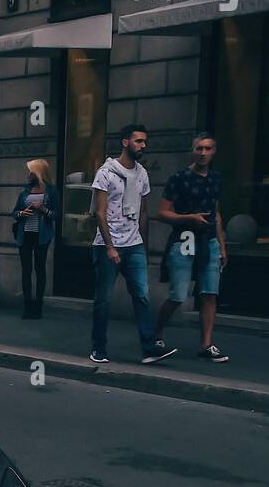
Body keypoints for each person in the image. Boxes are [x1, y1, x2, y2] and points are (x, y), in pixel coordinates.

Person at [89, 123, 176, 366]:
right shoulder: (105, 173)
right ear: (125, 142)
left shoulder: (142, 174)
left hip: (134, 244)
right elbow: (100, 213)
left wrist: (143, 247)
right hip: (109, 245)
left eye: (144, 142)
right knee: (104, 299)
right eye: (138, 141)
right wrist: (110, 246)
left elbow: (144, 213)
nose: (143, 145)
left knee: (142, 296)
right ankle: (98, 348)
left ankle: (149, 348)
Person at [156, 132, 230, 363]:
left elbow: (216, 213)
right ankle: (155, 334)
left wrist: (222, 245)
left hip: (208, 242)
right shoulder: (179, 178)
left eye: (208, 149)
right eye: (199, 148)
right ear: (193, 150)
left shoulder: (216, 178)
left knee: (209, 293)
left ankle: (206, 344)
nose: (203, 153)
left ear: (214, 152)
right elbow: (162, 212)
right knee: (178, 295)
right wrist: (188, 217)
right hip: (184, 239)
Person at [11, 159, 58, 320]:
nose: (28, 174)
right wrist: (21, 213)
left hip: (41, 236)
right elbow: (14, 212)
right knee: (26, 271)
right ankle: (27, 307)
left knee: (39, 270)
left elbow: (55, 215)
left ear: (38, 172)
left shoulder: (51, 191)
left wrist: (43, 209)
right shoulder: (25, 191)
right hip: (25, 235)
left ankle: (38, 307)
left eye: (31, 171)